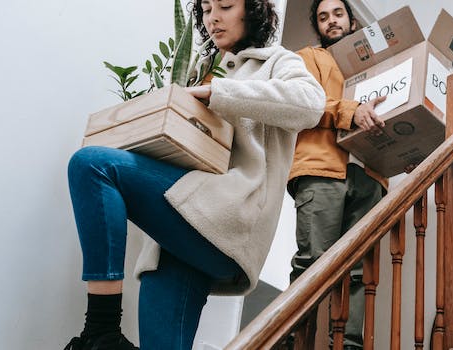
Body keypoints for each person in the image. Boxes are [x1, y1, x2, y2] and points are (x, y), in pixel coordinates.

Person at [63, 0, 325, 348]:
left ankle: (101, 327)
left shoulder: (278, 60)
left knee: (92, 164)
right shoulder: (200, 67)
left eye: (226, 5)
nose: (213, 17)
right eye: (205, 9)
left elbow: (311, 104)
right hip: (177, 231)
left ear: (253, 11)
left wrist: (218, 92)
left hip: (224, 219)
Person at [288, 0, 387, 349]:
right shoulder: (306, 58)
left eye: (338, 13)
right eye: (323, 17)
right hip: (321, 170)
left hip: (369, 174)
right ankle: (291, 341)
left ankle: (349, 345)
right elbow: (303, 104)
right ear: (318, 26)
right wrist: (351, 111)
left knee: (358, 273)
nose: (331, 21)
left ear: (352, 19)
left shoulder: (376, 62)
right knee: (312, 265)